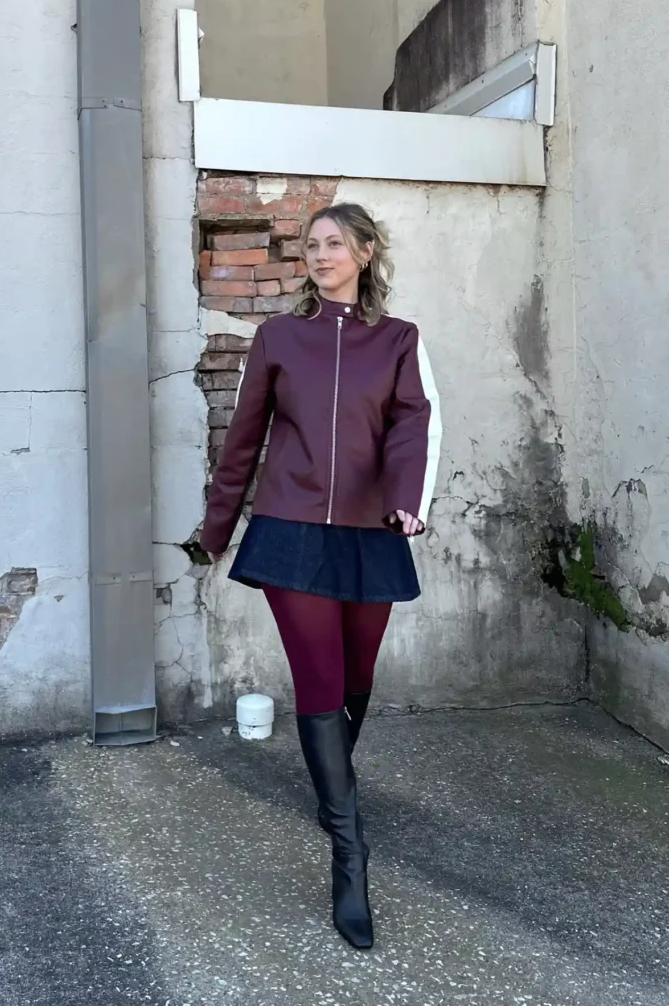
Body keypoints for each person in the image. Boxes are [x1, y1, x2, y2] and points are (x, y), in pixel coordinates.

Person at [199, 203, 441, 950]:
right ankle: (348, 851)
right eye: (313, 244)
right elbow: (243, 436)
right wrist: (215, 528)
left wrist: (408, 503)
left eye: (336, 243)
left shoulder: (399, 340)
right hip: (292, 530)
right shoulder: (278, 338)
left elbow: (414, 423)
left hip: (372, 530)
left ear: (366, 252)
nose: (321, 253)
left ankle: (335, 793)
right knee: (320, 682)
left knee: (357, 677)